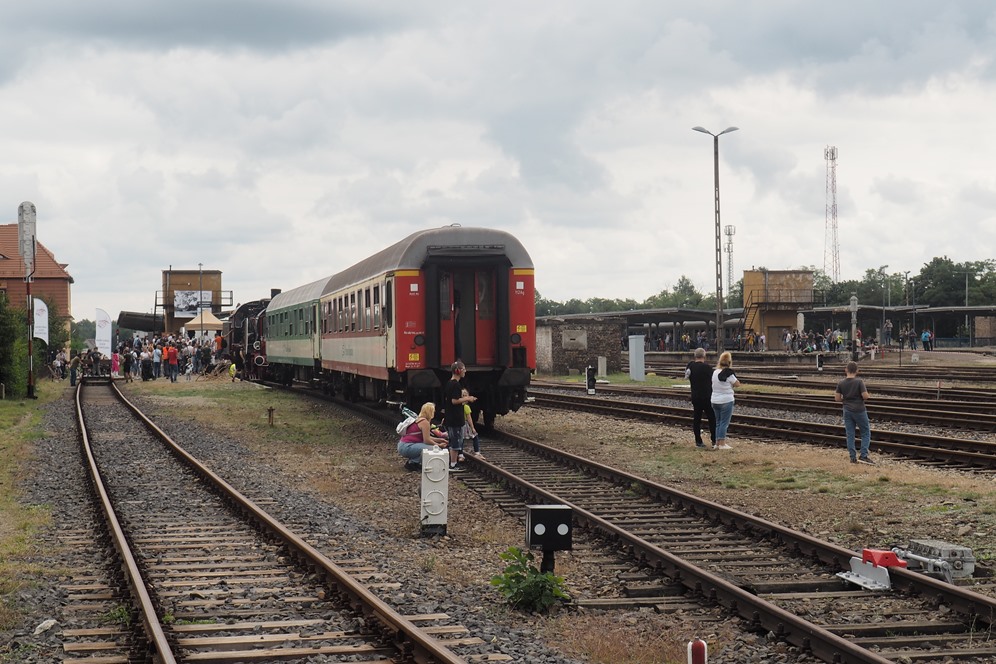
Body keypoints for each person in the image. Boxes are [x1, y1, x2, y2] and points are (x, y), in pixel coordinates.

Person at [834, 361, 873, 464]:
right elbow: (865, 396)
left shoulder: (841, 383)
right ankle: (863, 455)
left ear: (846, 370)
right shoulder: (859, 382)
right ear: (857, 371)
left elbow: (837, 398)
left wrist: (846, 400)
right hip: (859, 410)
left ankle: (852, 457)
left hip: (847, 410)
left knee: (850, 434)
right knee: (865, 432)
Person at [397, 402, 449, 471]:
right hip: (407, 447)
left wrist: (440, 440)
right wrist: (438, 445)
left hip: (403, 445)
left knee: (426, 447)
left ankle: (413, 462)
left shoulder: (419, 419)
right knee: (434, 449)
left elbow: (427, 437)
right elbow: (426, 440)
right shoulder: (425, 423)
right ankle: (413, 463)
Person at [444, 360, 476, 471]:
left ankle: (453, 462)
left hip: (451, 417)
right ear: (458, 371)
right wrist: (468, 398)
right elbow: (454, 401)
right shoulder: (456, 385)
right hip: (455, 418)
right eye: (463, 369)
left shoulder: (449, 383)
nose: (465, 371)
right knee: (456, 442)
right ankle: (453, 464)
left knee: (454, 441)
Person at [684, 348, 716, 449]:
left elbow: (687, 373)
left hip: (695, 396)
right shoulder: (708, 368)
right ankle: (714, 440)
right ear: (704, 356)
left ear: (695, 356)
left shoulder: (691, 366)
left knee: (697, 419)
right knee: (712, 418)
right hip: (707, 396)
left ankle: (698, 441)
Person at [710, 351, 740, 450]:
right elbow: (737, 384)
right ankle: (722, 443)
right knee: (724, 423)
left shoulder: (715, 372)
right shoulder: (728, 373)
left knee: (718, 422)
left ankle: (717, 443)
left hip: (714, 400)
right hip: (726, 400)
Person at [461, 388, 483, 458]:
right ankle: (477, 452)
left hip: (459, 425)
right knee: (475, 436)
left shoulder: (457, 407)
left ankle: (460, 454)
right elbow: (469, 418)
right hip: (465, 424)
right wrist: (472, 427)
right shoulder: (466, 407)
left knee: (461, 439)